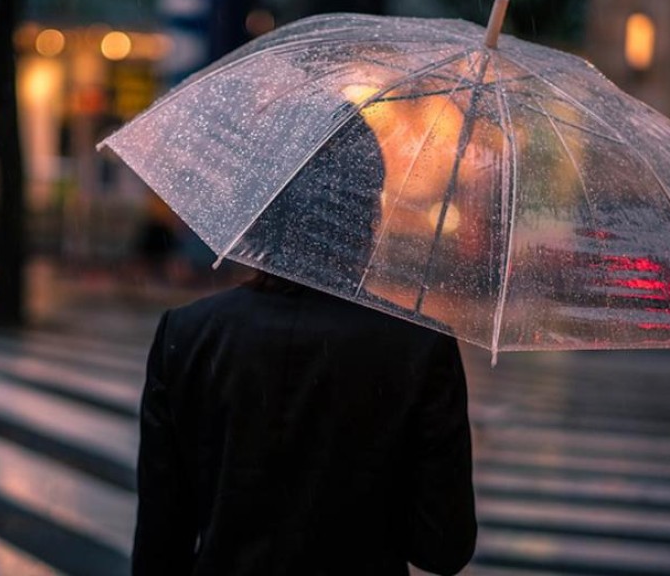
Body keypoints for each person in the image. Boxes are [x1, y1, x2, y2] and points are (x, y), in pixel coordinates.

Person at [133, 110, 476, 576]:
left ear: (264, 208)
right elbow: (442, 547)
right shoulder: (418, 348)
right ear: (367, 212)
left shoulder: (189, 334)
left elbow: (160, 543)